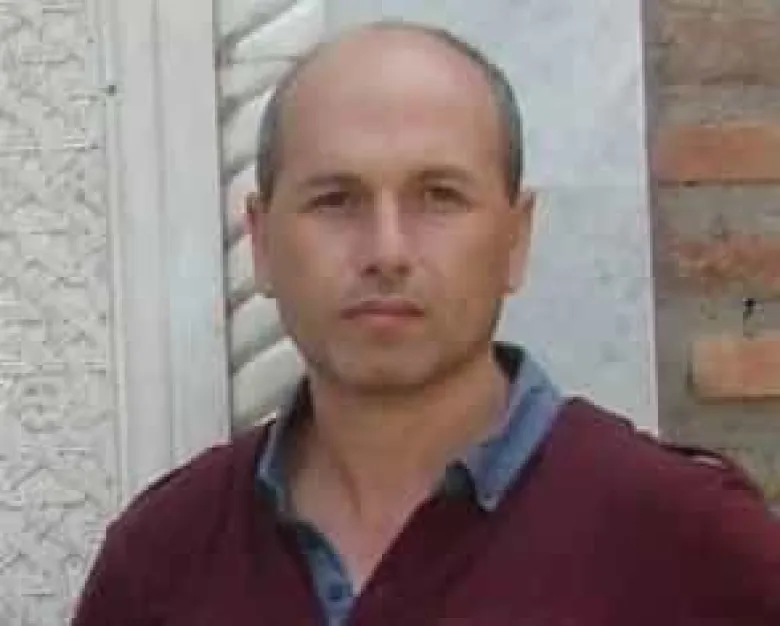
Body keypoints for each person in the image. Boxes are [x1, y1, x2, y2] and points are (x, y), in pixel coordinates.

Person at [72, 21, 780, 626]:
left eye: (439, 196)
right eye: (335, 199)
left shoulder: (689, 546)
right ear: (260, 242)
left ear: (515, 238)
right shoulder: (163, 561)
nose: (387, 251)